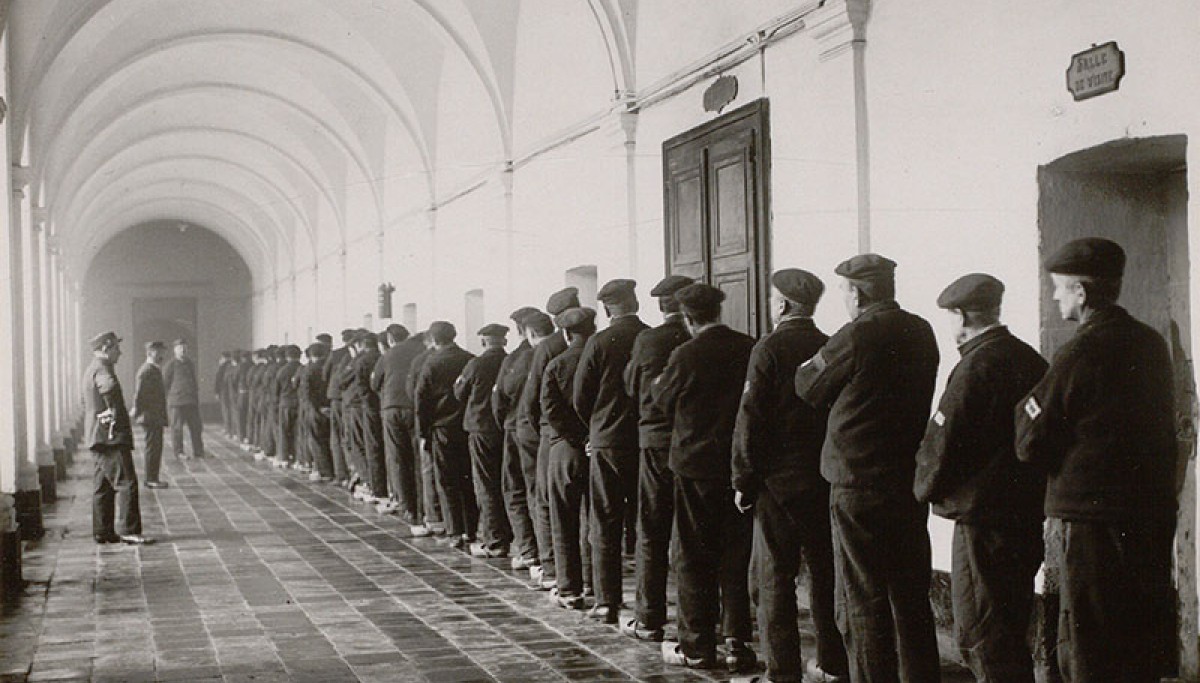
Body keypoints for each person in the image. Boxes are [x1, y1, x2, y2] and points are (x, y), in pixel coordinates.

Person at [1015, 238, 1178, 683]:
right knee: (1137, 637)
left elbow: (1029, 438)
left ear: (1081, 293)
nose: (1055, 297)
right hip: (1147, 516)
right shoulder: (1150, 345)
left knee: (1087, 640)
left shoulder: (1079, 351)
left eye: (1060, 289)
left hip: (1090, 523)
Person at [795, 253, 942, 683]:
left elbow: (808, 384)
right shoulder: (921, 330)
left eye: (844, 290)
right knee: (912, 595)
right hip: (906, 480)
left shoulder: (856, 334)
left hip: (857, 482)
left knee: (862, 597)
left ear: (856, 292)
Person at [732, 269, 849, 683]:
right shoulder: (830, 344)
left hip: (776, 484)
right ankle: (833, 662)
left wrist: (743, 480)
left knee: (774, 580)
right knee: (824, 572)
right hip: (821, 478)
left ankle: (782, 673)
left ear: (781, 305)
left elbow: (751, 419)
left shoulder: (769, 348)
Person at [652, 283, 757, 673]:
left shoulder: (686, 354)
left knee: (694, 554)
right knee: (735, 553)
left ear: (688, 318)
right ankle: (738, 642)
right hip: (737, 465)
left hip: (695, 467)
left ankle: (696, 646)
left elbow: (660, 399)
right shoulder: (748, 346)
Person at [620, 274, 693, 642]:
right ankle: (707, 619)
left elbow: (632, 386)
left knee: (651, 530)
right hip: (698, 447)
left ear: (662, 306)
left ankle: (649, 618)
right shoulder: (702, 337)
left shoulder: (648, 340)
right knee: (697, 534)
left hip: (656, 443)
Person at [573, 279, 648, 623]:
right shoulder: (652, 337)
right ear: (635, 302)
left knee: (605, 521)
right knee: (647, 522)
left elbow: (581, 395)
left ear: (606, 309)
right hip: (645, 441)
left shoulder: (599, 342)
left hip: (608, 441)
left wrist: (596, 426)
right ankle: (650, 606)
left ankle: (607, 602)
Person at [519, 287, 580, 590]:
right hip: (588, 434)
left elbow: (533, 399)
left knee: (547, 501)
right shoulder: (594, 341)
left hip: (552, 433)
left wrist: (541, 428)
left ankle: (552, 568)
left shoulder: (547, 348)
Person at [542, 307, 597, 610]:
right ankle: (593, 584)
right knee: (596, 518)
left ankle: (569, 588)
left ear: (565, 334)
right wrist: (592, 438)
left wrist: (577, 439)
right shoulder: (605, 359)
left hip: (565, 448)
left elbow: (551, 410)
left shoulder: (557, 364)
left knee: (563, 518)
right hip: (598, 448)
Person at [83, 331, 151, 545]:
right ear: (106, 347)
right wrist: (112, 412)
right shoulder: (103, 369)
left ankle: (102, 531)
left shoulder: (91, 368)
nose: (119, 353)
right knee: (126, 482)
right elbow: (109, 389)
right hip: (110, 437)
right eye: (116, 349)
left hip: (98, 436)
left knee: (103, 486)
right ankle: (129, 530)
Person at [415, 321, 476, 549]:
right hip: (465, 426)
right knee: (467, 479)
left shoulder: (430, 363)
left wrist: (423, 433)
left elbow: (421, 400)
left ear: (433, 339)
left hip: (441, 429)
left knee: (447, 481)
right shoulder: (469, 358)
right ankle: (471, 529)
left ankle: (455, 531)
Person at [454, 323, 512, 558]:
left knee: (486, 485)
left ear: (483, 342)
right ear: (504, 341)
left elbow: (459, 392)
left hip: (481, 429)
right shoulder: (510, 361)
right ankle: (510, 534)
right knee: (508, 483)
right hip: (505, 429)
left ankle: (494, 540)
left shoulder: (476, 364)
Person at [492, 307, 541, 571]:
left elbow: (500, 398)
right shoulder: (553, 350)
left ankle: (528, 549)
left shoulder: (516, 359)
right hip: (546, 430)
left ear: (521, 330)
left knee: (516, 489)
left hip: (516, 428)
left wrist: (505, 424)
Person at [372, 325, 423, 523]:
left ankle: (407, 506)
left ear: (390, 339)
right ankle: (423, 508)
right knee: (418, 458)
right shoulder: (421, 351)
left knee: (398, 459)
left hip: (392, 408)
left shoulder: (387, 355)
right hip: (413, 408)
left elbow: (374, 383)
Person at [408, 332, 443, 536]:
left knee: (429, 471)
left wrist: (421, 430)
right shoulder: (467, 357)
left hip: (432, 424)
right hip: (457, 425)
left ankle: (433, 518)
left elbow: (416, 394)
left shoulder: (423, 361)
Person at [130, 341, 170, 489]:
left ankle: (153, 477)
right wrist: (137, 411)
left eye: (162, 352)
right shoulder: (147, 370)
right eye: (158, 352)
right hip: (150, 416)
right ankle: (151, 479)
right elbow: (139, 394)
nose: (162, 355)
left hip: (153, 415)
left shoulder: (152, 369)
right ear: (150, 353)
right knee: (153, 447)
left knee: (155, 447)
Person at [163, 338, 205, 459]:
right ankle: (179, 452)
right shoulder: (170, 365)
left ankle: (199, 451)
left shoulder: (190, 363)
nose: (183, 350)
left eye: (185, 347)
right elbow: (165, 384)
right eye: (180, 348)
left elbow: (194, 381)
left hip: (191, 400)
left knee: (196, 427)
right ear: (175, 350)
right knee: (177, 429)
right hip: (177, 402)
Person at [300, 341, 335, 481]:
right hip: (330, 408)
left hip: (316, 410)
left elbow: (307, 393)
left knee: (317, 440)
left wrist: (317, 408)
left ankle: (324, 471)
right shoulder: (330, 367)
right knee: (330, 440)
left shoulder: (308, 370)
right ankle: (333, 469)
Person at [325, 329, 356, 484]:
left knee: (338, 435)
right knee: (347, 435)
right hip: (347, 398)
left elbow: (326, 375)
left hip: (337, 397)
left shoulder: (337, 354)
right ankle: (349, 473)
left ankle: (342, 473)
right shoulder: (351, 356)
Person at [275, 345, 304, 467]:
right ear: (300, 355)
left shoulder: (282, 371)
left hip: (286, 403)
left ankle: (284, 458)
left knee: (284, 431)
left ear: (287, 357)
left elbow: (276, 390)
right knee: (299, 431)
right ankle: (299, 458)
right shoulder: (303, 368)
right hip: (299, 403)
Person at [215, 350, 233, 437]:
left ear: (223, 358)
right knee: (231, 410)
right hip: (232, 392)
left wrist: (216, 392)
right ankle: (230, 429)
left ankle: (228, 428)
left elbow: (217, 380)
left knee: (226, 410)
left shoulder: (222, 366)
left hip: (224, 391)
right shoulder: (232, 365)